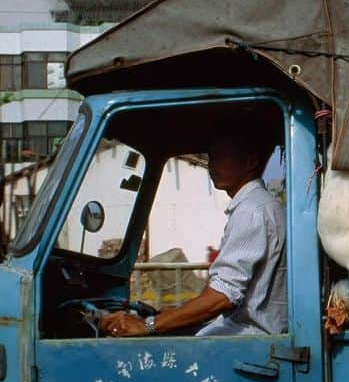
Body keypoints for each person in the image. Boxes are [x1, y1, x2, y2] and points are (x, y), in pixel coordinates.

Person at [100, 128, 287, 338]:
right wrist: (168, 316)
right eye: (211, 157)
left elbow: (222, 296)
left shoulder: (251, 211)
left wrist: (148, 325)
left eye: (222, 156)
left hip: (246, 340)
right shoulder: (263, 206)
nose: (211, 165)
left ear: (250, 162)